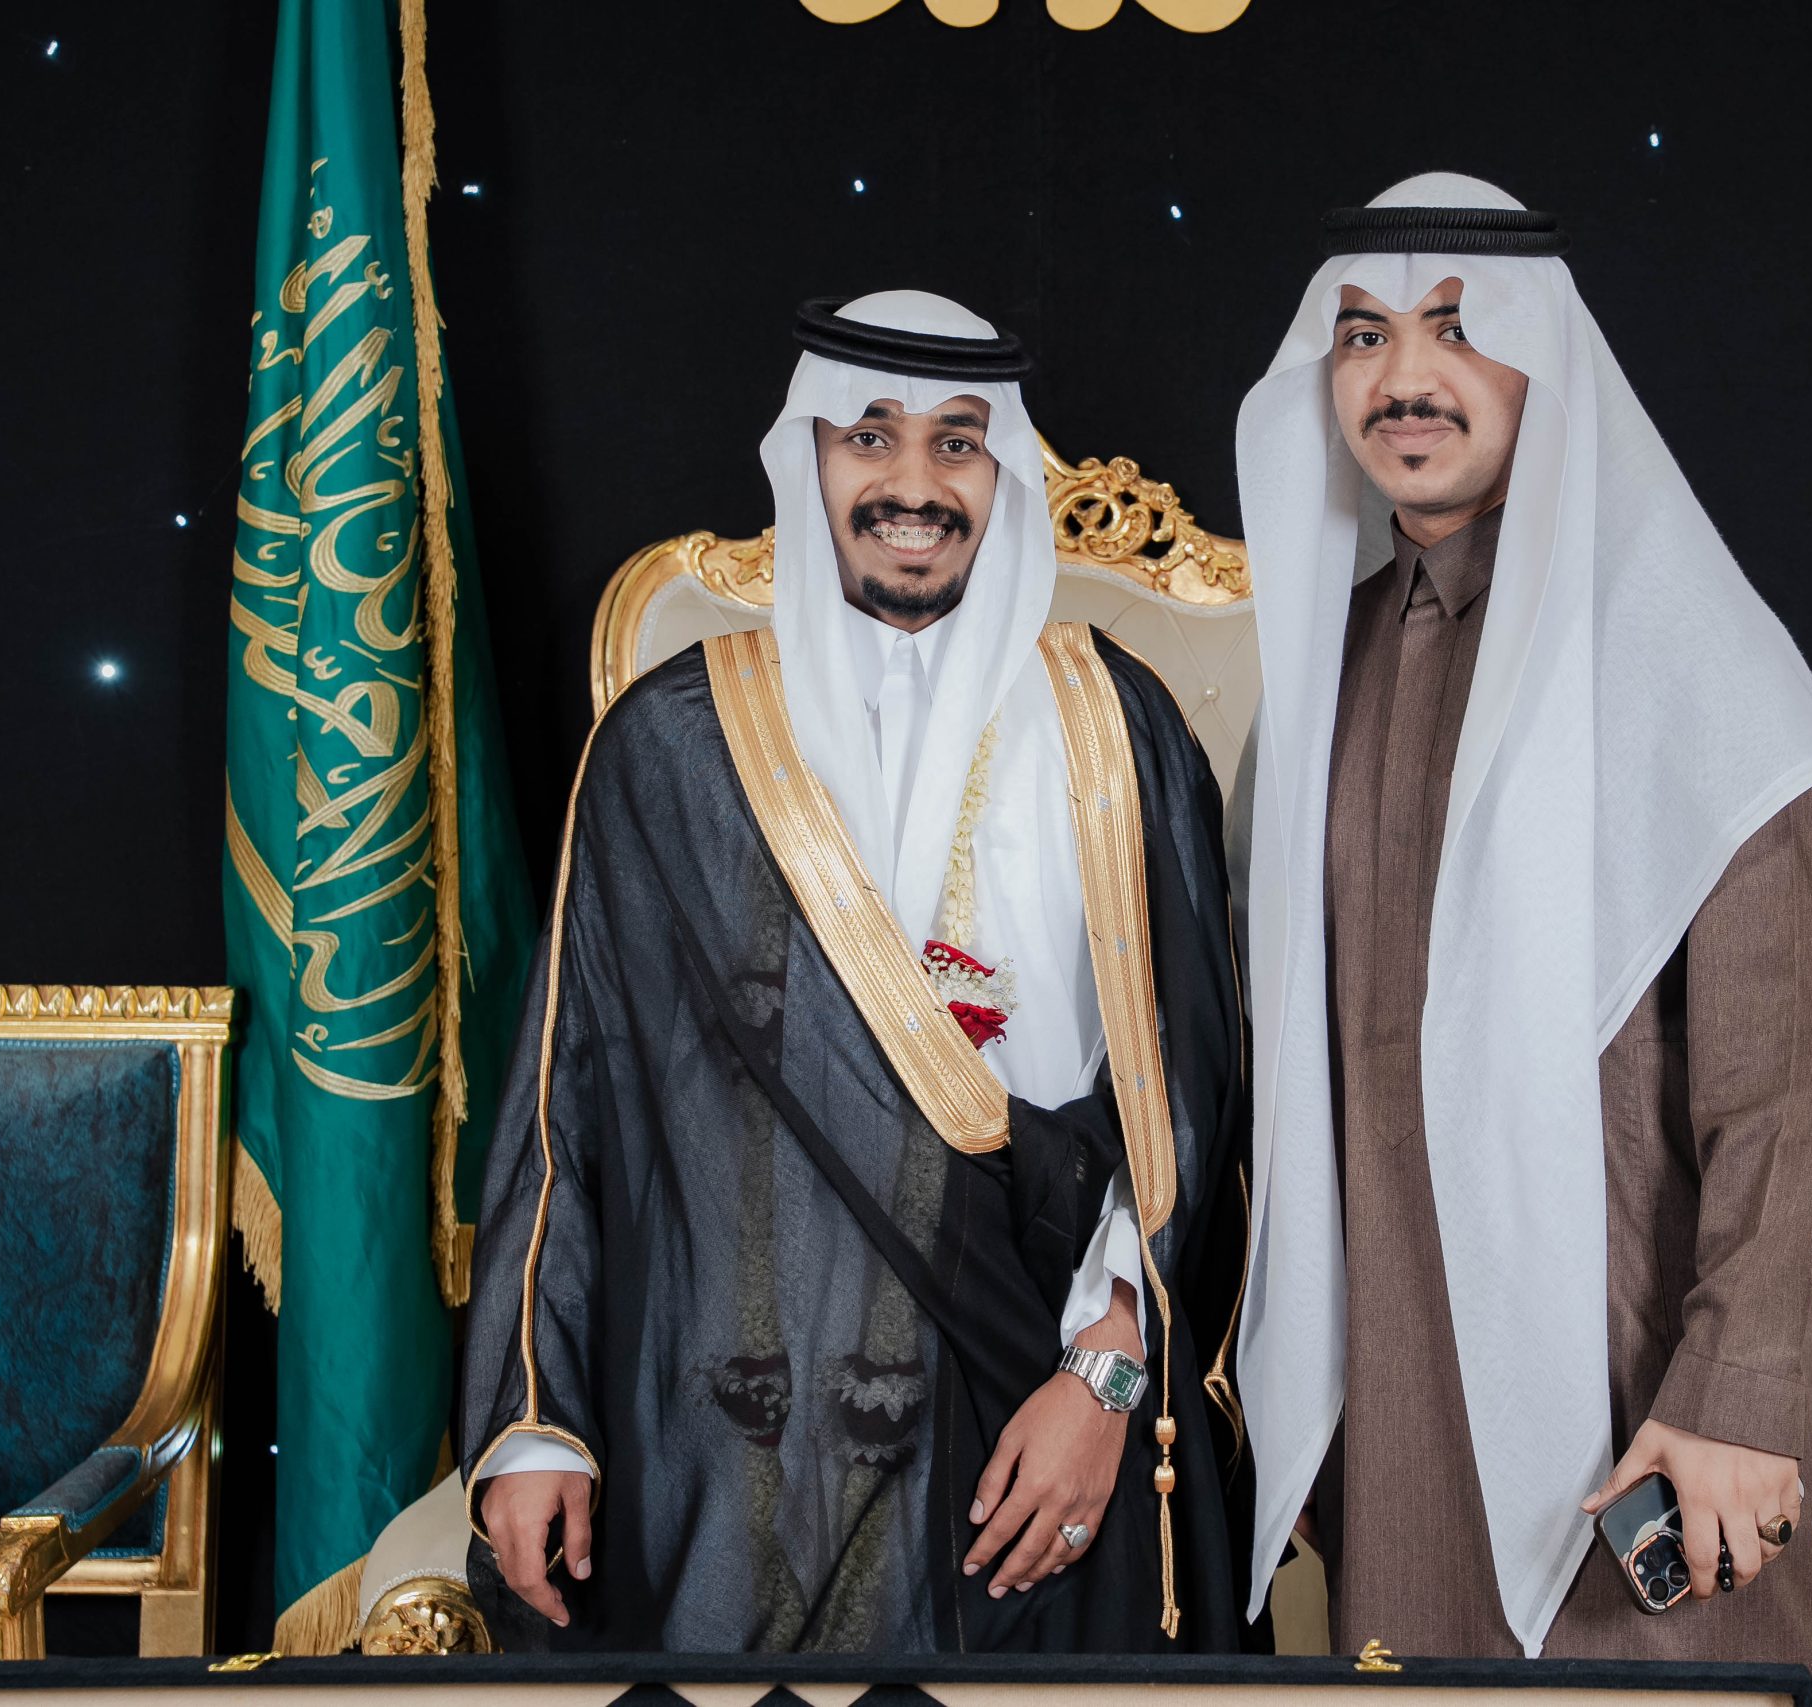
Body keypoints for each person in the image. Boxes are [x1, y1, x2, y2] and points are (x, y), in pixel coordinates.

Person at [459, 290, 1251, 1653]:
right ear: (807, 458)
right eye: (869, 435)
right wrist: (535, 1423)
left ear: (1003, 471)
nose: (914, 484)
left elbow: (1196, 1106)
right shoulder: (674, 744)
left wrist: (1107, 1380)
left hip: (1039, 1411)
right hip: (734, 1434)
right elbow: (565, 1101)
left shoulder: (1119, 727)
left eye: (958, 442)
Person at [1231, 175, 1812, 1696]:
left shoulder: (1693, 657)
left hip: (1641, 1396)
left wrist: (1736, 1395)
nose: (1406, 376)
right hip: (1396, 1387)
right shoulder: (1332, 671)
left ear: (1548, 359)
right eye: (1364, 335)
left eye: (1460, 330)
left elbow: (1775, 1083)